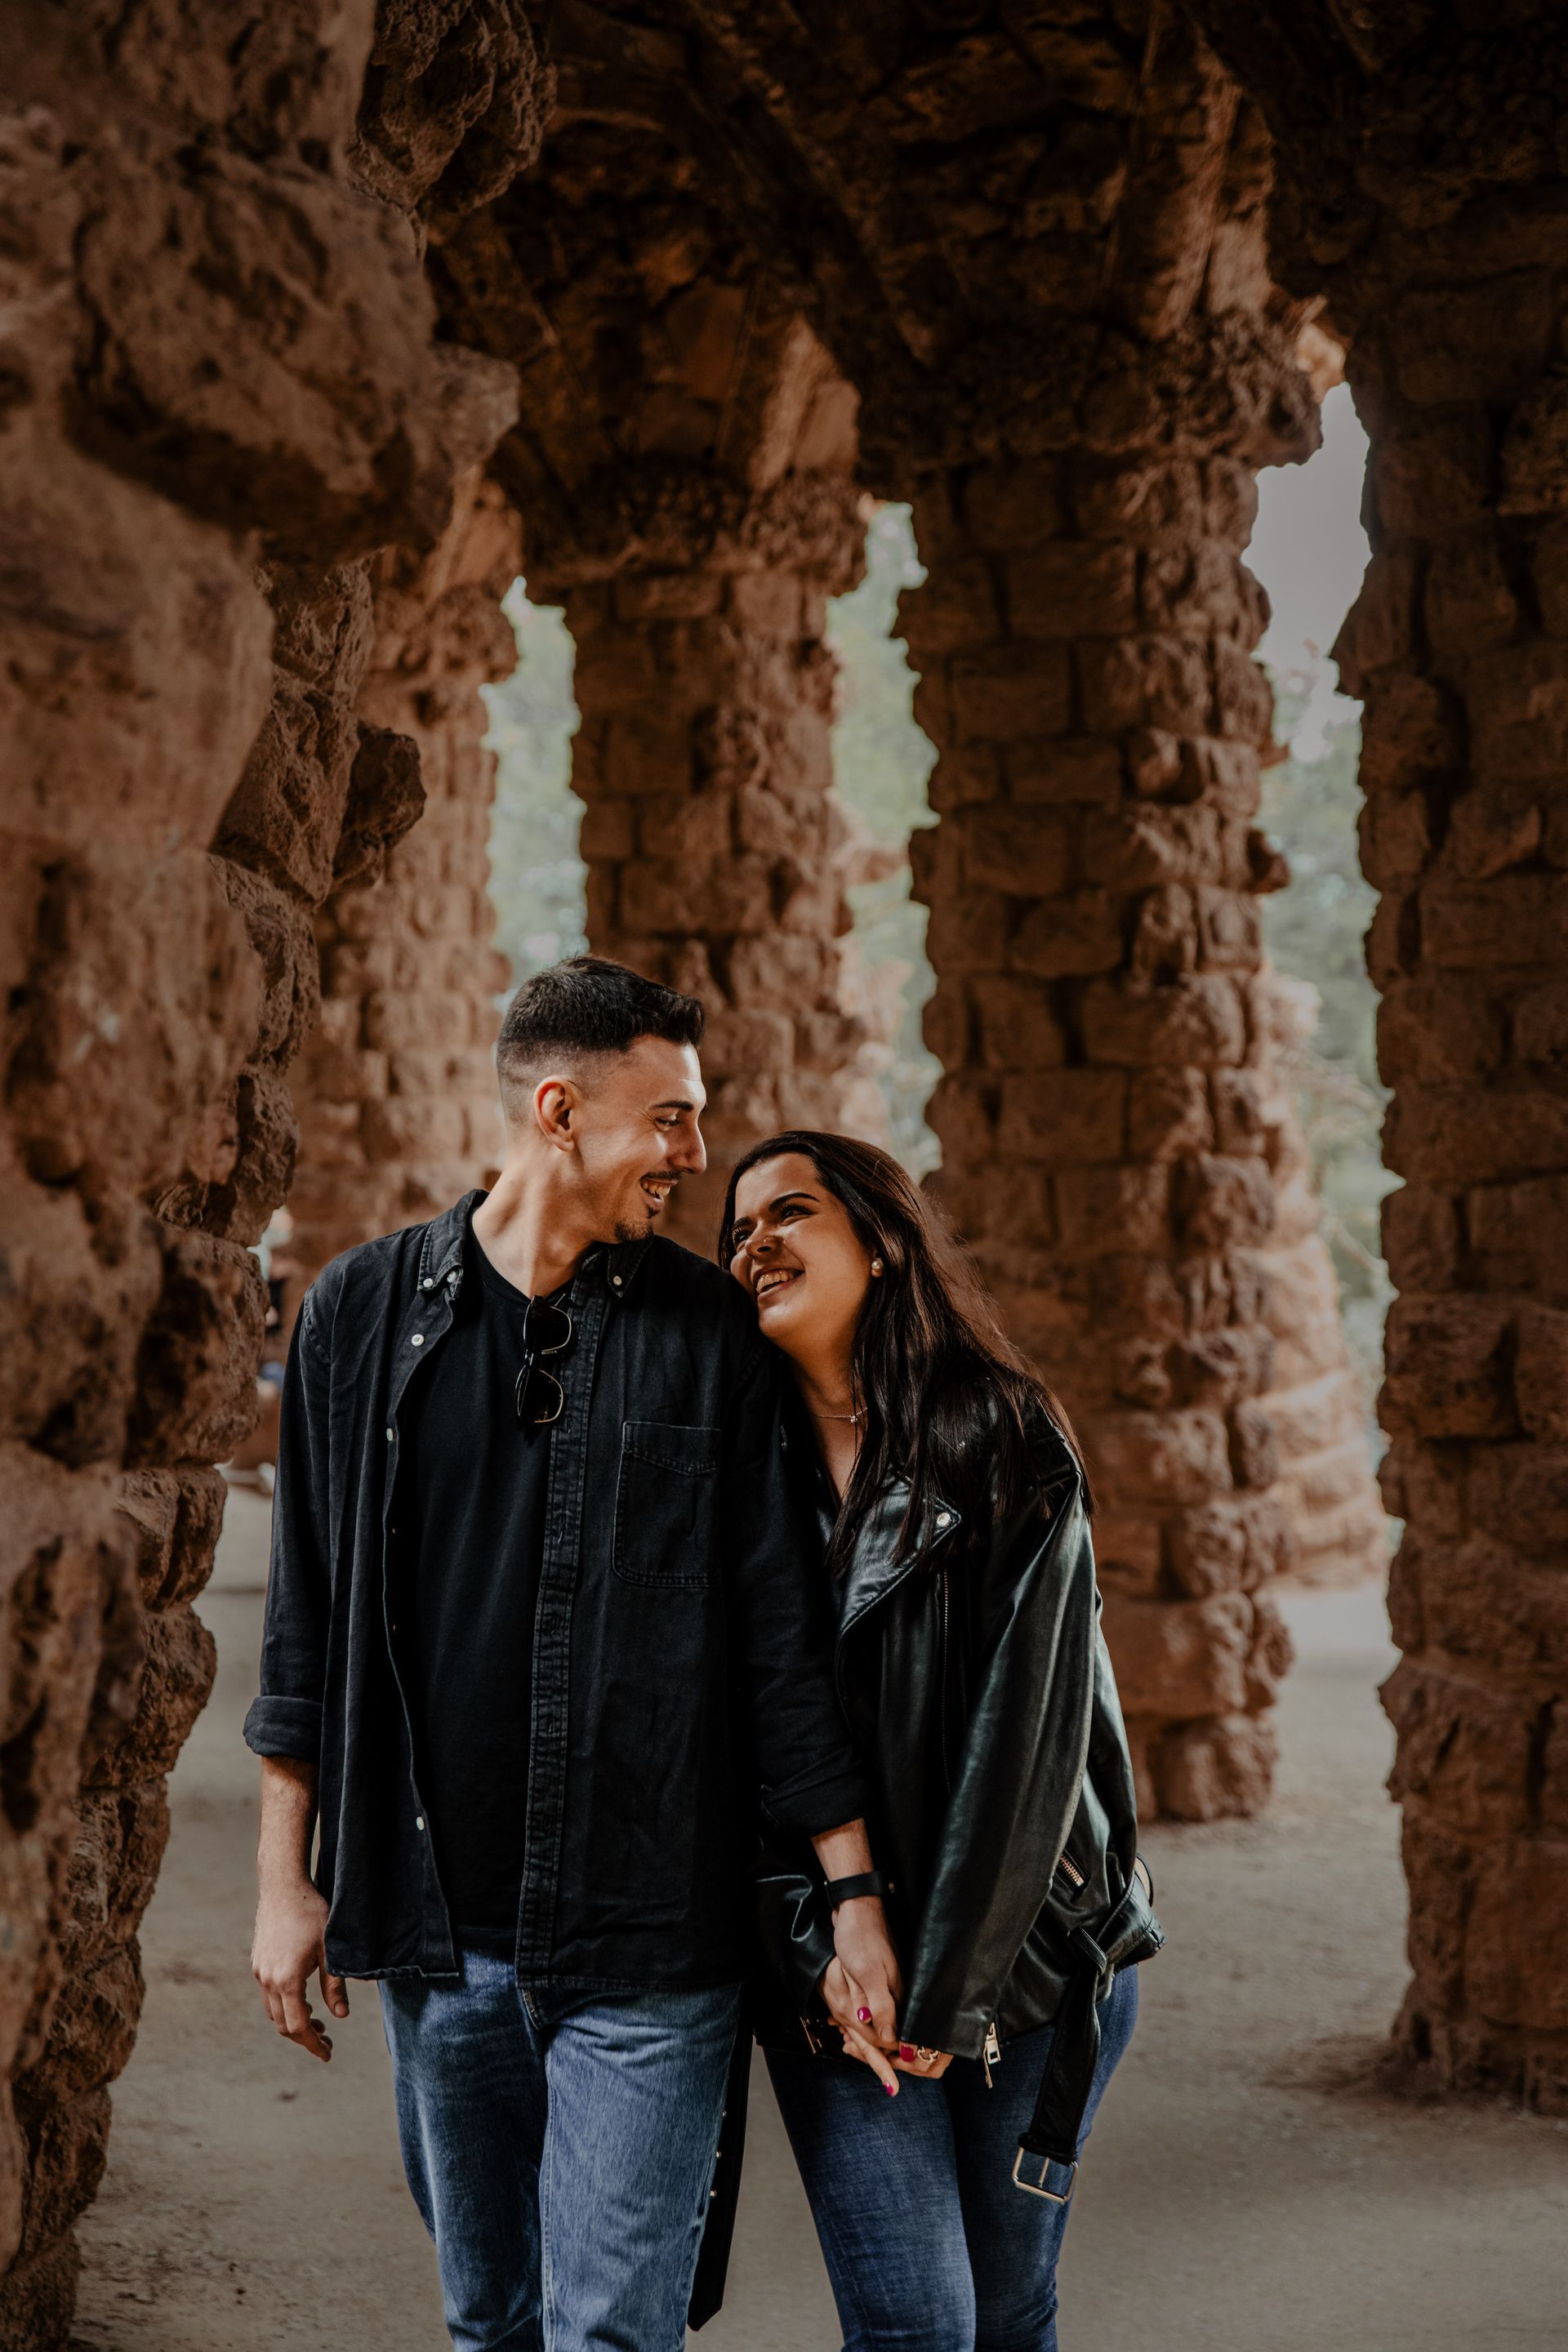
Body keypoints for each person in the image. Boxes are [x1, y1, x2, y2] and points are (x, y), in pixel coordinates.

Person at [244, 961, 900, 2352]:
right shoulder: (355, 1317)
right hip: (435, 1935)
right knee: (493, 2320)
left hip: (650, 1932)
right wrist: (282, 1883)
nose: (695, 1156)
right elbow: (301, 1623)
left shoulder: (712, 1335)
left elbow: (779, 1631)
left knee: (610, 2331)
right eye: (669, 1119)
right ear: (559, 1111)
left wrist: (852, 1893)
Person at [719, 1130, 1162, 2352]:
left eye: (790, 1213)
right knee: (916, 2325)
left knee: (1010, 2315)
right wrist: (819, 1941)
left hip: (1026, 1964)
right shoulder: (725, 1481)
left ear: (878, 1240)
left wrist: (944, 2002)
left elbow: (1029, 1749)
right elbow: (723, 1756)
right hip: (832, 1980)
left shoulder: (1006, 1439)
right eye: (738, 1230)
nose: (756, 1241)